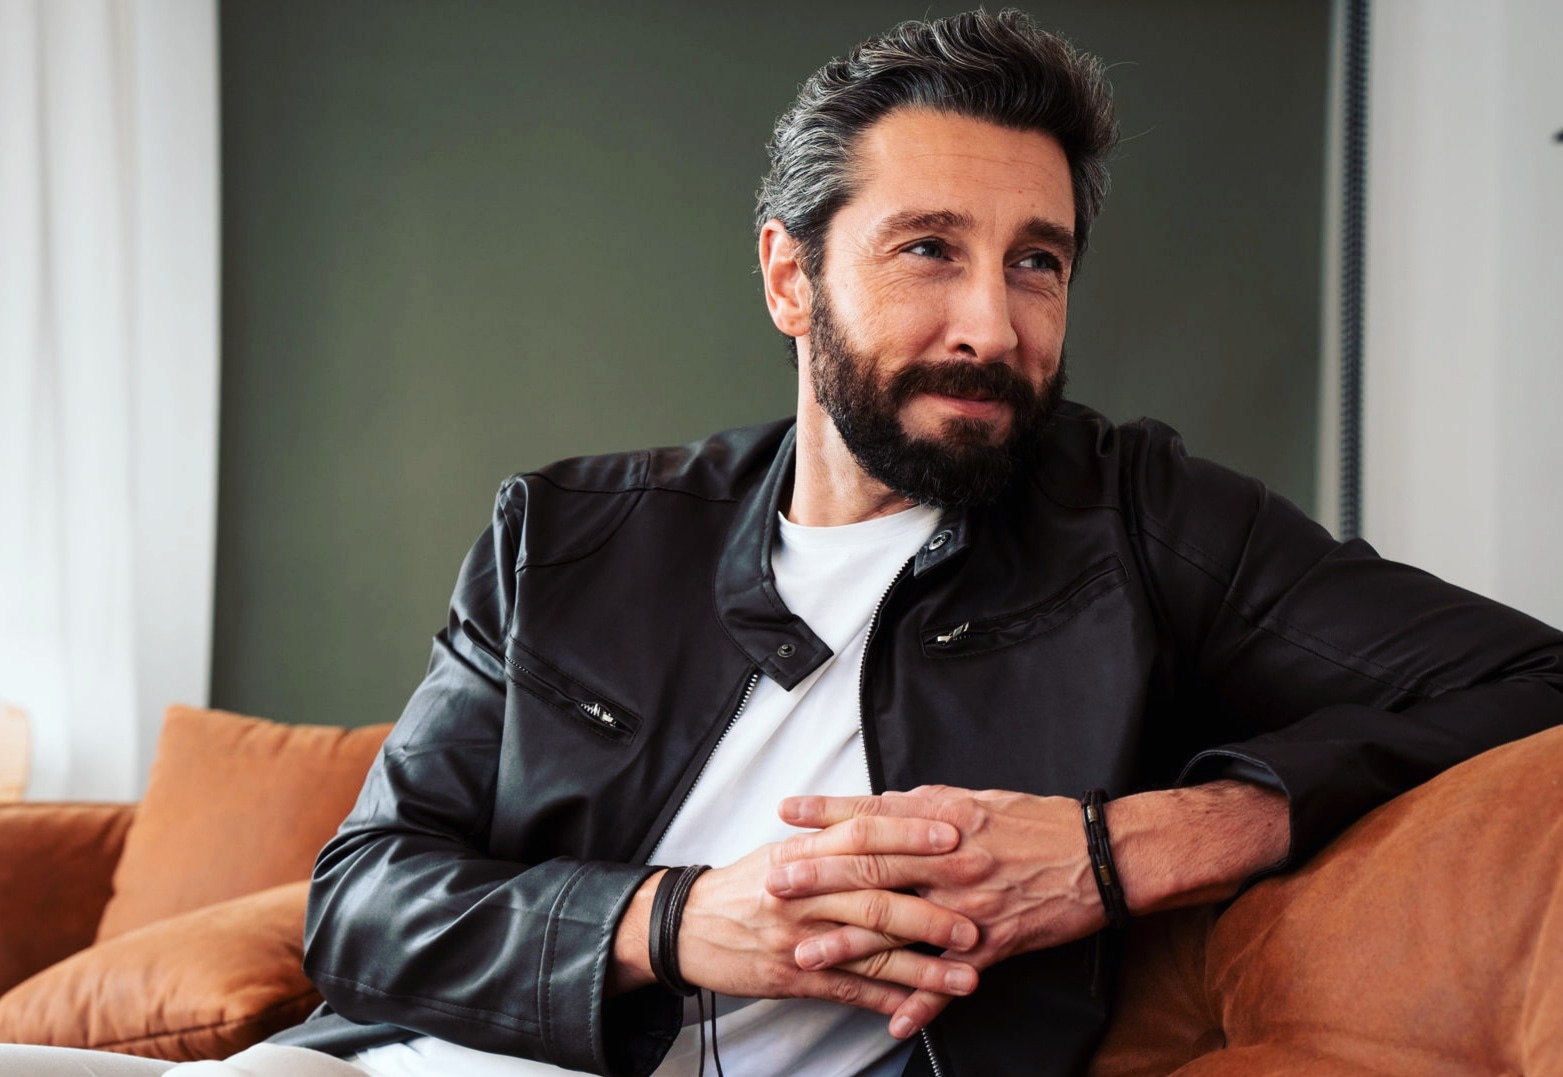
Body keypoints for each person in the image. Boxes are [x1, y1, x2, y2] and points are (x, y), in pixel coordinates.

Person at [5, 9, 1560, 1077]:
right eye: (928, 249)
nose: (993, 322)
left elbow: (1529, 677)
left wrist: (1134, 843)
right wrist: (675, 921)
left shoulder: (1142, 520)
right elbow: (360, 903)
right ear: (788, 278)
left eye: (1038, 262)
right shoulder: (569, 537)